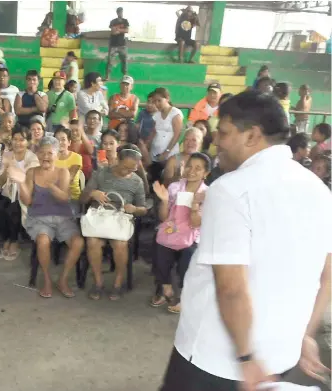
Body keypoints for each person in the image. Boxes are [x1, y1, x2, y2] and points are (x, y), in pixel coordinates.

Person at [159, 90, 332, 391]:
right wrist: (304, 333)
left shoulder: (231, 190)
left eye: (224, 132)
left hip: (217, 359)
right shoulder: (317, 189)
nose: (216, 141)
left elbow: (231, 287)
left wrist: (246, 357)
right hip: (281, 355)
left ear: (252, 135)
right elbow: (327, 272)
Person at [10, 136, 84, 298]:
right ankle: (47, 280)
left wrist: (50, 183)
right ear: (37, 154)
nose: (46, 156)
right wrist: (21, 183)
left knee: (78, 242)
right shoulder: (31, 172)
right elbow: (28, 201)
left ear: (57, 155)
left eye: (50, 153)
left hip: (63, 217)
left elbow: (64, 198)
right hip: (39, 217)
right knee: (43, 240)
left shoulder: (63, 172)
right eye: (42, 153)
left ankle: (63, 279)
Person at [80, 144, 148, 300]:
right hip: (99, 217)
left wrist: (134, 209)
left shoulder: (137, 182)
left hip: (120, 220)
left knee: (120, 244)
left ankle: (118, 283)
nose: (127, 172)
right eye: (125, 167)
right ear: (117, 160)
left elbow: (144, 208)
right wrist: (93, 193)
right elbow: (82, 199)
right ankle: (98, 283)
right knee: (93, 242)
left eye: (132, 169)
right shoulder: (101, 174)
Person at [150, 152, 210, 314]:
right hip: (171, 230)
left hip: (192, 235)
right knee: (160, 247)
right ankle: (165, 287)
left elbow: (196, 223)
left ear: (205, 173)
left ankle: (185, 296)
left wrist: (196, 204)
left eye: (198, 168)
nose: (191, 170)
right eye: (189, 166)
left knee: (188, 258)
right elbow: (164, 218)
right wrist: (163, 201)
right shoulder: (175, 187)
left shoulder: (207, 193)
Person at [0, 127, 40, 261]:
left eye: (22, 139)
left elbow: (33, 183)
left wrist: (19, 178)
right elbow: (0, 183)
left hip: (27, 194)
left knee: (12, 208)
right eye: (15, 139)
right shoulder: (7, 155)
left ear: (28, 142)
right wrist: (6, 169)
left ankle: (14, 242)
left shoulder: (32, 158)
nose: (18, 143)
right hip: (9, 192)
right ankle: (7, 238)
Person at [148, 87, 184, 183]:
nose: (157, 104)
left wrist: (166, 152)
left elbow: (177, 134)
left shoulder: (175, 113)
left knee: (167, 180)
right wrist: (147, 145)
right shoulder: (157, 115)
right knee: (155, 180)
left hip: (170, 154)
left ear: (167, 98)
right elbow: (154, 132)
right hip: (155, 154)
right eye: (155, 101)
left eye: (159, 100)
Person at [54, 127, 83, 214]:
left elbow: (68, 179)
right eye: (56, 139)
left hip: (72, 199)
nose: (59, 142)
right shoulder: (50, 157)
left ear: (69, 142)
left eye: (63, 139)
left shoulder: (76, 157)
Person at [106, 7, 129, 80]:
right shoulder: (113, 21)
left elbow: (127, 30)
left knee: (124, 61)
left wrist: (118, 30)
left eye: (121, 12)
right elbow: (113, 32)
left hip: (122, 44)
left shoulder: (125, 21)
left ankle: (125, 75)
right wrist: (121, 30)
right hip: (113, 44)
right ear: (117, 13)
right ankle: (108, 76)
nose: (120, 13)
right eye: (119, 12)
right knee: (110, 61)